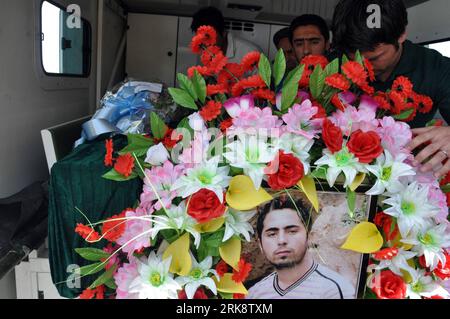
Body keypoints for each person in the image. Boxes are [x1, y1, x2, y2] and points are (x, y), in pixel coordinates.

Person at [331, 0, 450, 178]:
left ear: (401, 34)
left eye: (374, 58)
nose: (364, 68)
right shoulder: (332, 65)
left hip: (405, 174)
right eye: (354, 60)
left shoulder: (436, 67)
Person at [247, 197, 355, 299]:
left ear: (309, 236)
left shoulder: (334, 290)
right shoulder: (255, 293)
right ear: (260, 244)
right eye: (272, 234)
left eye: (292, 231)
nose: (281, 240)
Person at [191, 6, 261, 63]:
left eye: (208, 37)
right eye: (201, 40)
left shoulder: (250, 52)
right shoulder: (206, 55)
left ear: (223, 33)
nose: (205, 44)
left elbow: (263, 80)